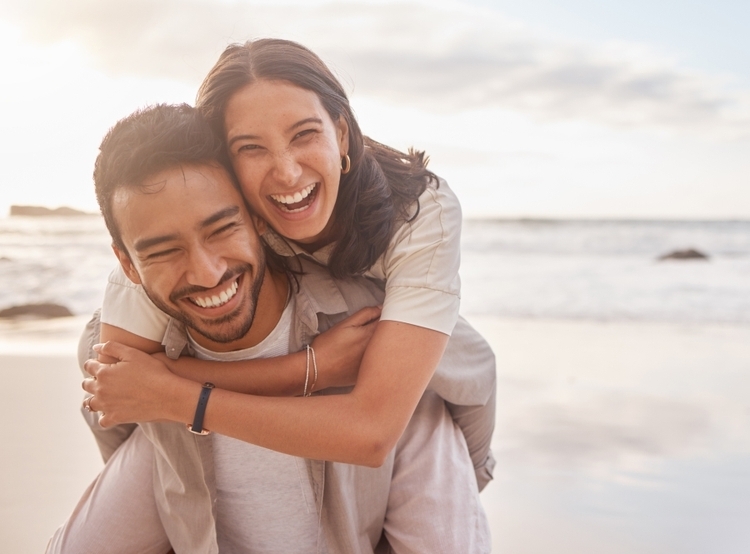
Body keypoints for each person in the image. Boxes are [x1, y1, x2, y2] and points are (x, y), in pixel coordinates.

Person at [49, 104, 490, 553]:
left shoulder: (375, 333)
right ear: (128, 264)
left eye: (221, 228)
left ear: (259, 218)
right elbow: (113, 412)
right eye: (163, 251)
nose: (205, 273)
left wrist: (302, 371)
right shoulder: (132, 360)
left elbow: (475, 382)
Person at [91, 38, 497, 488]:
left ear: (341, 134)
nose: (286, 172)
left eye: (304, 135)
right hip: (307, 345)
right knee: (95, 340)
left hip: (418, 356)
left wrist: (183, 398)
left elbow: (371, 431)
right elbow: (120, 378)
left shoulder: (421, 210)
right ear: (222, 163)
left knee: (458, 370)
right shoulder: (199, 228)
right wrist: (306, 369)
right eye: (251, 148)